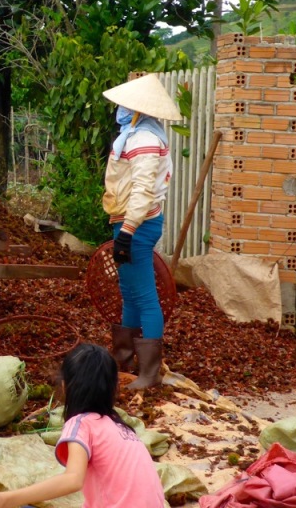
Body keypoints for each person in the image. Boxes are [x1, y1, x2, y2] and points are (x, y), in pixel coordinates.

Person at [0, 343, 166, 508]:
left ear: (65, 386)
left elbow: (73, 479)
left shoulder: (81, 424)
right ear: (115, 388)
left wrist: (4, 499)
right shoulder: (122, 428)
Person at [101, 73, 182, 390]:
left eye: (124, 104)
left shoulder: (144, 140)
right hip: (130, 222)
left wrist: (127, 232)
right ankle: (125, 361)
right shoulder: (134, 135)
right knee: (130, 295)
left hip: (138, 224)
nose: (119, 109)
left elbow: (143, 191)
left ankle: (149, 373)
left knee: (145, 297)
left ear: (136, 109)